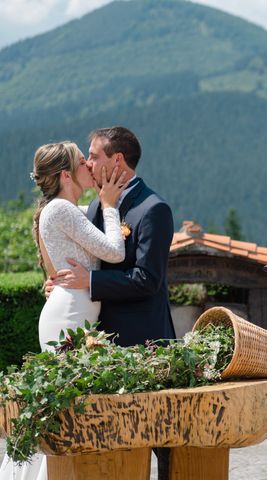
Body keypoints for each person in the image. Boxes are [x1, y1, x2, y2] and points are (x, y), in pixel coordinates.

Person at [50, 126, 175, 479]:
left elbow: (147, 281)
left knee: (159, 440)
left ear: (116, 159)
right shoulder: (95, 205)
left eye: (94, 155)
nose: (88, 164)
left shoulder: (153, 209)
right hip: (102, 343)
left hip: (143, 343)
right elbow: (87, 261)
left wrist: (88, 282)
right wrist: (64, 285)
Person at [0, 141, 127, 480]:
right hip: (69, 316)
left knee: (61, 407)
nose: (89, 165)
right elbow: (114, 251)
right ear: (66, 175)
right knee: (61, 407)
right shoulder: (62, 210)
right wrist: (110, 206)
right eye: (83, 161)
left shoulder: (66, 209)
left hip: (72, 312)